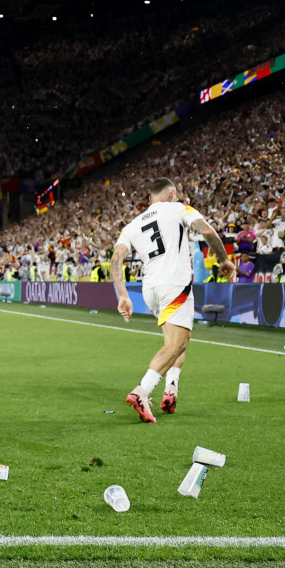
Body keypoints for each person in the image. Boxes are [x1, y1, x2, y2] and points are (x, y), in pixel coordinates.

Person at [111, 178, 235, 423]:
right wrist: (224, 260)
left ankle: (171, 389)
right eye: (176, 194)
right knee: (177, 343)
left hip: (151, 288)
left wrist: (123, 295)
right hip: (174, 285)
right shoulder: (179, 208)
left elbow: (116, 259)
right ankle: (142, 391)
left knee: (177, 342)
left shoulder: (132, 225)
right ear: (171, 194)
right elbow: (207, 230)